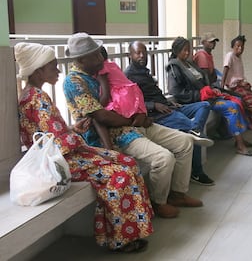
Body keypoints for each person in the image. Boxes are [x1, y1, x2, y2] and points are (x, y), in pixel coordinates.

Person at [14, 42, 153, 253]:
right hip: (63, 159)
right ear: (39, 70)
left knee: (127, 162)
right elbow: (54, 141)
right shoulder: (37, 98)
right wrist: (76, 138)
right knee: (120, 174)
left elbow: (49, 132)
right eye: (53, 66)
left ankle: (133, 229)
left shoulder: (32, 95)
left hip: (66, 151)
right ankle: (119, 238)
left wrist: (73, 129)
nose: (59, 69)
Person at [63, 32, 203, 219]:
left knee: (185, 142)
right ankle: (159, 202)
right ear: (80, 59)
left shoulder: (102, 71)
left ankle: (177, 194)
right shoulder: (74, 81)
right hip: (115, 134)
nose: (100, 57)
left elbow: (125, 94)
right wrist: (133, 120)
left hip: (133, 124)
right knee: (164, 158)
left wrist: (140, 114)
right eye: (95, 55)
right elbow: (101, 116)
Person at [125, 41, 215, 186]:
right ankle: (197, 172)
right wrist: (153, 105)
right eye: (138, 53)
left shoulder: (144, 71)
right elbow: (130, 104)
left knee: (204, 106)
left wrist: (169, 103)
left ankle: (195, 129)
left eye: (145, 52)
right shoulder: (128, 75)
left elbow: (156, 93)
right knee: (192, 130)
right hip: (157, 115)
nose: (142, 56)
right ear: (130, 55)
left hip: (169, 107)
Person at [166, 36, 252, 157]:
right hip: (196, 101)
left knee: (237, 100)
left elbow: (204, 80)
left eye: (189, 49)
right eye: (184, 50)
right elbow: (176, 91)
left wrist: (212, 89)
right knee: (232, 107)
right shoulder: (174, 67)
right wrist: (200, 94)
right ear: (177, 50)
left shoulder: (189, 64)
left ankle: (239, 138)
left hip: (207, 95)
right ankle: (240, 145)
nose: (187, 52)